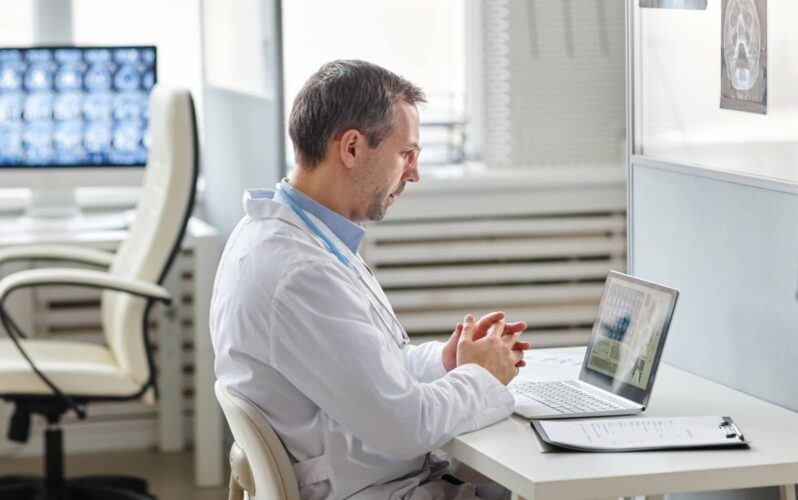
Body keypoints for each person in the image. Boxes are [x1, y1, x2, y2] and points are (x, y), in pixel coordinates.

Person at [210, 59, 530, 500]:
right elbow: (407, 424)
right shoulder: (299, 273)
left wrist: (448, 362)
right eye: (406, 153)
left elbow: (369, 370)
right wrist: (482, 376)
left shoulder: (295, 237)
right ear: (353, 148)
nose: (414, 172)